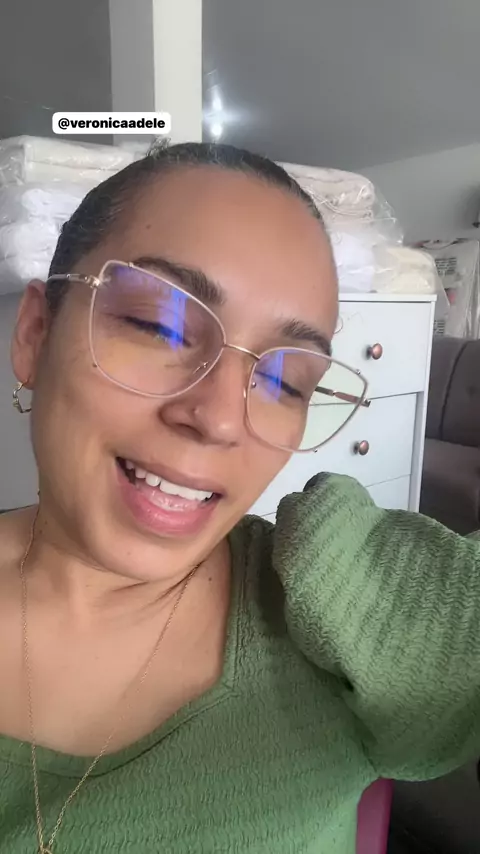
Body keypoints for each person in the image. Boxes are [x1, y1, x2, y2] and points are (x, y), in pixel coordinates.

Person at [0, 141, 478, 854]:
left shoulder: (334, 598)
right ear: (36, 334)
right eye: (159, 326)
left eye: (287, 382)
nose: (221, 419)